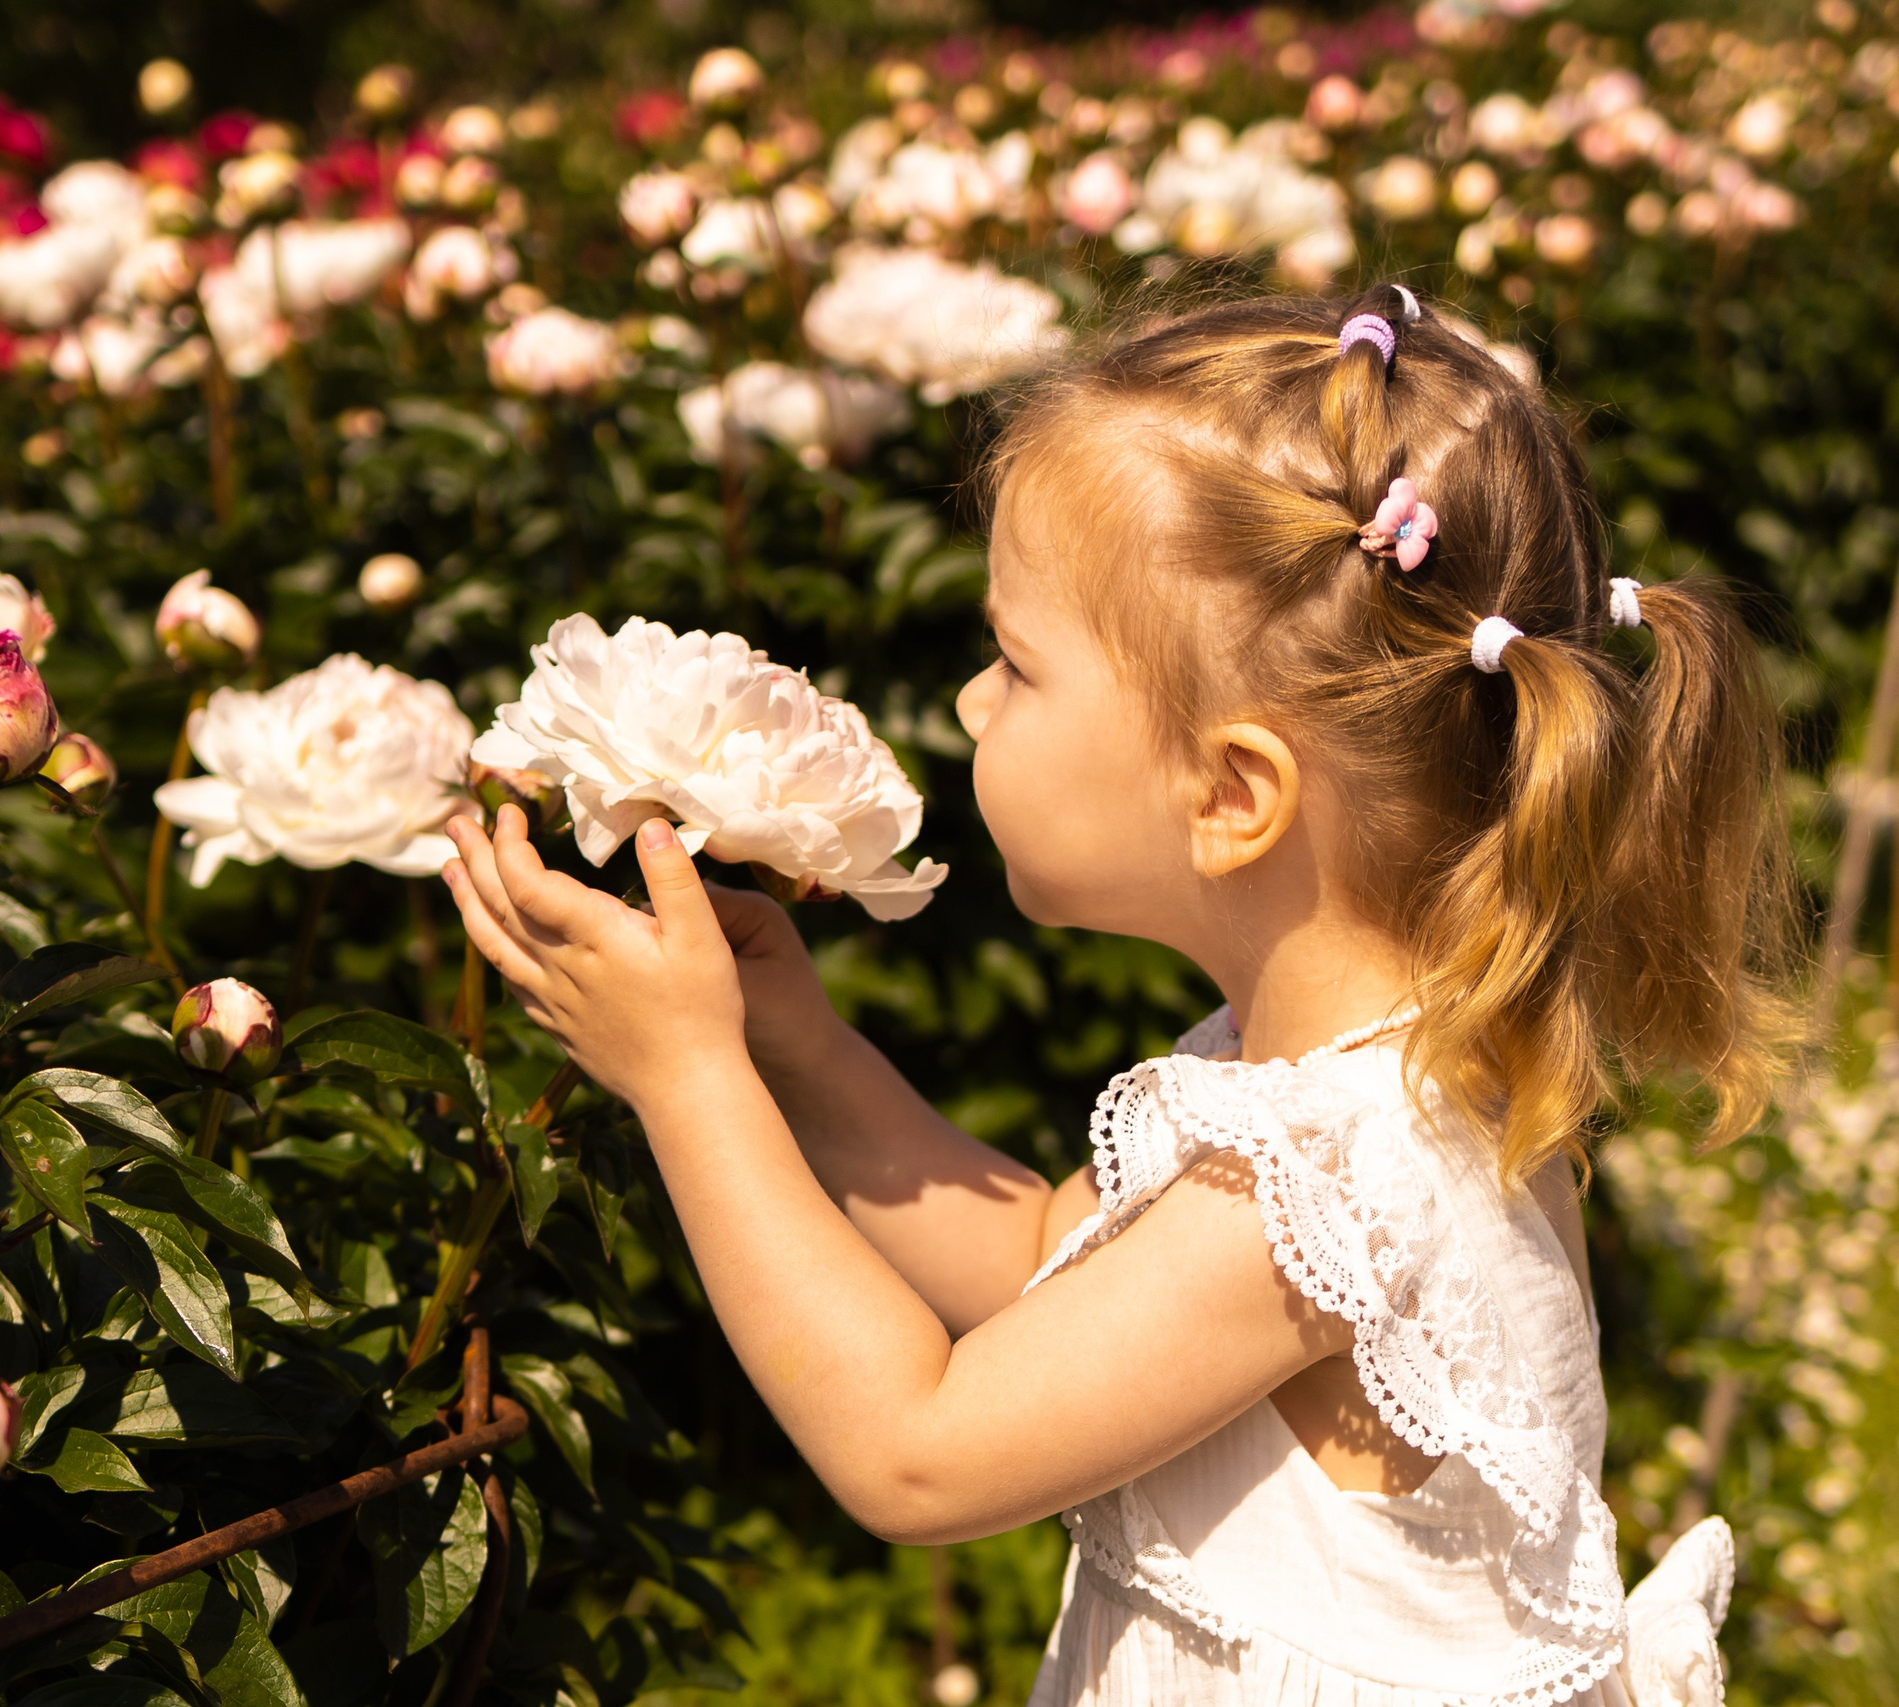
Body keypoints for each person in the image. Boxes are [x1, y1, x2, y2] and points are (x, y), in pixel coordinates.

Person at [438, 283, 1794, 1707]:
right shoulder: (1363, 1077)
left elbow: (917, 1448)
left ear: (1230, 793)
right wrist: (798, 1048)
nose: (970, 703)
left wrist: (690, 1081)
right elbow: (1044, 1255)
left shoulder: (1333, 1180)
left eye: (1017, 665)